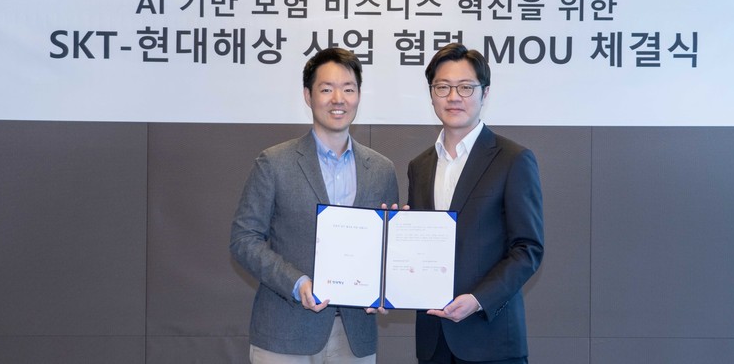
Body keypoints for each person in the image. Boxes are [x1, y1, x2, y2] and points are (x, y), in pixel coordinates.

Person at [230, 47, 399, 363]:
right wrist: (296, 283)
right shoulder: (274, 162)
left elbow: (386, 249)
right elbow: (244, 240)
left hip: (354, 337)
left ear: (358, 96)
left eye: (348, 89)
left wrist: (387, 285)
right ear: (308, 96)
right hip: (285, 333)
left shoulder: (381, 169)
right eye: (326, 89)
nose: (338, 99)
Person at [408, 43, 544, 364]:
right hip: (433, 341)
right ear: (431, 95)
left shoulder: (513, 159)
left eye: (466, 87)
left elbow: (527, 249)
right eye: (443, 87)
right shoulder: (420, 166)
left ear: (485, 94)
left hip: (490, 339)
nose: (454, 97)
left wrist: (478, 299)